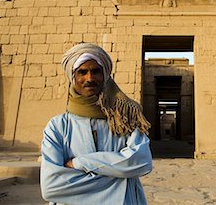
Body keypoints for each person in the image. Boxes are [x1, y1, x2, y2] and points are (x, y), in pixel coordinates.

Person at [40, 43, 152, 205]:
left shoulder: (126, 119)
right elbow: (51, 187)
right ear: (73, 77)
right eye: (82, 72)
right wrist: (120, 180)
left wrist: (79, 163)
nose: (90, 79)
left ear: (105, 75)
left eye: (96, 71)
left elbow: (141, 162)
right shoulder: (57, 126)